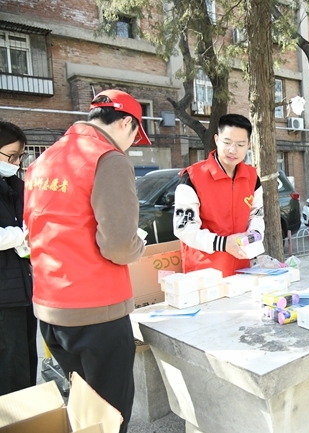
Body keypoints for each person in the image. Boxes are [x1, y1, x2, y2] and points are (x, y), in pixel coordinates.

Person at [24, 89, 148, 433]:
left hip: (51, 308)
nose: (131, 144)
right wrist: (138, 247)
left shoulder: (46, 158)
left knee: (83, 407)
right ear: (125, 122)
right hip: (96, 312)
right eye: (135, 135)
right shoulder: (108, 158)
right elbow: (119, 245)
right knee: (109, 416)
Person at [173, 114, 264, 276]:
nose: (233, 150)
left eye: (240, 144)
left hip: (242, 269)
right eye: (227, 142)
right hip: (204, 274)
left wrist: (255, 234)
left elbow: (256, 215)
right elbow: (184, 229)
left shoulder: (252, 177)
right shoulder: (192, 177)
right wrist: (223, 243)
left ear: (248, 145)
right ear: (216, 139)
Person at [0, 121, 37, 397]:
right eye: (11, 156)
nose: (16, 163)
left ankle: (30, 413)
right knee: (10, 366)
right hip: (4, 295)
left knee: (26, 360)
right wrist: (21, 234)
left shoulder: (16, 185)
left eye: (20, 156)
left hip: (24, 287)